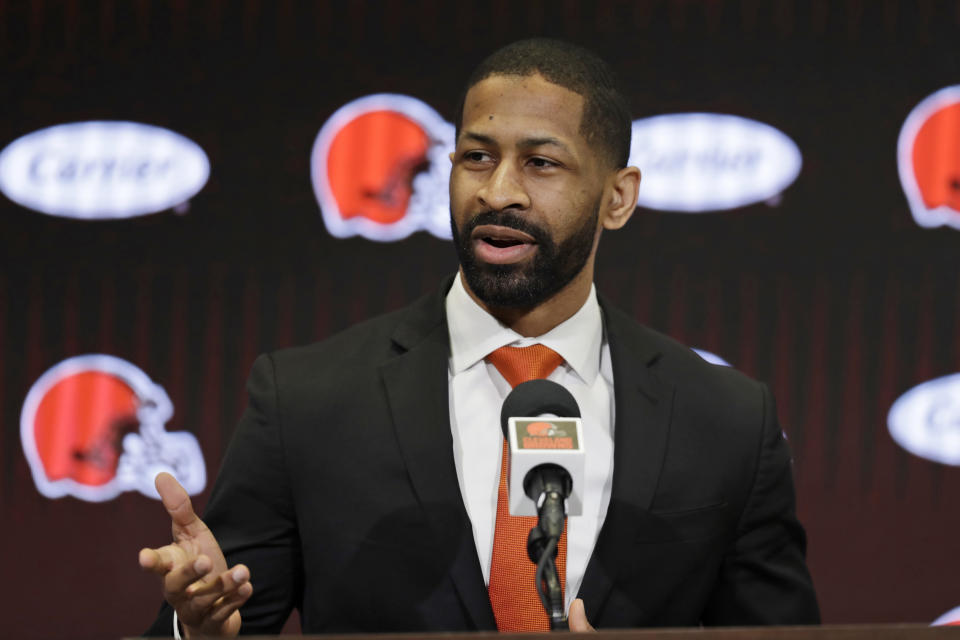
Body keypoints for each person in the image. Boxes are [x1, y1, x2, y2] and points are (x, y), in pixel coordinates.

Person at [140, 38, 820, 637]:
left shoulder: (726, 420)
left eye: (540, 164)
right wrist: (195, 630)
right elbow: (220, 611)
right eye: (476, 156)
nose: (498, 192)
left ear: (618, 197)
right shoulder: (307, 401)